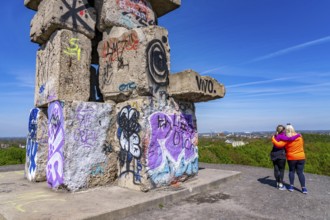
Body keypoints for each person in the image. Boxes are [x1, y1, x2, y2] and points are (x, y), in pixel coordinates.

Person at [272, 124, 307, 194]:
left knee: (291, 171)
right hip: (301, 156)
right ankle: (304, 188)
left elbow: (279, 145)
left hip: (291, 157)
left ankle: (291, 187)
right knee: (300, 172)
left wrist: (273, 138)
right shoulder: (300, 137)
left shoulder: (286, 139)